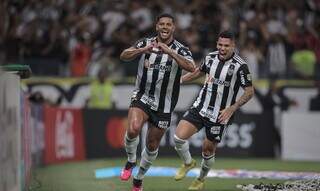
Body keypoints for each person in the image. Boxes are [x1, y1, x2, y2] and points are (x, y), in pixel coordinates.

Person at [119, 13, 195, 191]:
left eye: (169, 24)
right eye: (162, 24)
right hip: (142, 96)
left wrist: (169, 52)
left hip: (164, 104)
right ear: (156, 26)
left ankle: (139, 178)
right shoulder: (146, 43)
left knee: (152, 144)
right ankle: (130, 161)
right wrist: (140, 51)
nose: (165, 27)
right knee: (133, 129)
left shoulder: (181, 49)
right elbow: (124, 55)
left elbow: (192, 67)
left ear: (173, 28)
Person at [173, 31, 254, 190]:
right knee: (178, 138)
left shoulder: (240, 66)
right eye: (220, 45)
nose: (222, 48)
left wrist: (232, 108)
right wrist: (179, 80)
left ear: (233, 46)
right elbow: (198, 72)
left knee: (208, 150)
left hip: (220, 115)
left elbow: (250, 91)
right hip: (200, 107)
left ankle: (200, 180)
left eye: (226, 45)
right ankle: (188, 163)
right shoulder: (210, 57)